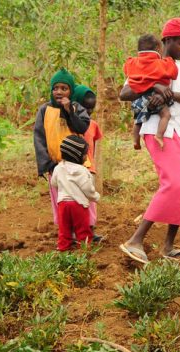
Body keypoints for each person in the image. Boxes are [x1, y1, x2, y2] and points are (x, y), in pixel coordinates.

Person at [118, 17, 180, 264]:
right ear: (167, 40)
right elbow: (125, 93)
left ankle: (168, 246)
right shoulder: (145, 64)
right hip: (157, 131)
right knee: (172, 184)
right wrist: (153, 87)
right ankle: (135, 240)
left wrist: (170, 93)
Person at [33, 68, 90, 226]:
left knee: (82, 197)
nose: (59, 92)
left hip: (78, 165)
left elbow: (82, 128)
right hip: (56, 165)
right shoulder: (45, 110)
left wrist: (69, 111)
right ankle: (65, 231)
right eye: (56, 88)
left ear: (70, 91)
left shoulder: (77, 108)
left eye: (64, 89)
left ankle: (86, 228)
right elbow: (39, 137)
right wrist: (47, 164)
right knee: (60, 199)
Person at [123, 33, 179, 150]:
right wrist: (169, 60)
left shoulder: (132, 62)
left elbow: (126, 70)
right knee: (166, 114)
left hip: (138, 98)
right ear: (158, 48)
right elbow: (173, 72)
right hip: (154, 96)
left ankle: (135, 140)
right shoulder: (161, 64)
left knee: (138, 119)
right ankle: (159, 135)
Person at [50, 136, 100, 251]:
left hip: (63, 204)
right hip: (78, 205)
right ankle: (84, 249)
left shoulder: (58, 168)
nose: (86, 157)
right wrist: (96, 197)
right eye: (84, 155)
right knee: (82, 228)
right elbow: (88, 189)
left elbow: (54, 182)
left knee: (64, 228)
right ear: (77, 156)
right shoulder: (82, 171)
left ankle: (63, 248)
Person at [71, 85, 104, 242]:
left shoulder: (93, 125)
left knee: (89, 202)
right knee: (74, 201)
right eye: (86, 107)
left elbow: (93, 146)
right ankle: (74, 232)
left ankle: (90, 231)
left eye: (92, 108)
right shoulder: (70, 122)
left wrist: (92, 167)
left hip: (88, 168)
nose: (89, 112)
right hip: (72, 169)